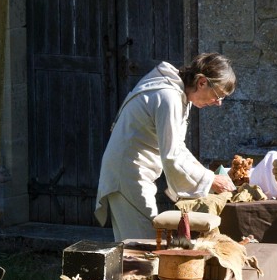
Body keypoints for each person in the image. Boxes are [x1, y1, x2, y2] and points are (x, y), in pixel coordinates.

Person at [94, 52, 237, 241]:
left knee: (141, 243)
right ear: (202, 82)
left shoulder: (180, 94)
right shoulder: (168, 96)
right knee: (142, 243)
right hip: (127, 174)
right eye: (218, 95)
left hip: (134, 172)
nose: (218, 103)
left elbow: (178, 146)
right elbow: (172, 156)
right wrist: (210, 179)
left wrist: (205, 175)